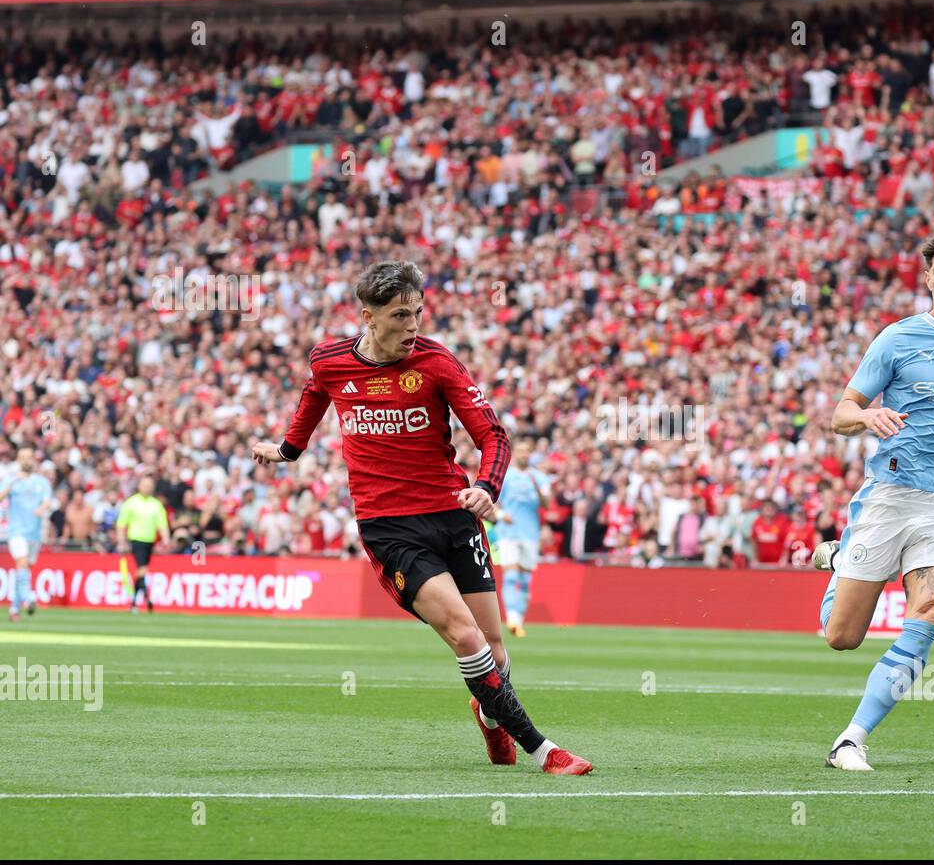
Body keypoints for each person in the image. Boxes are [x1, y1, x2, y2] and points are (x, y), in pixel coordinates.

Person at [250, 260, 590, 776]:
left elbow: (493, 435)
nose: (413, 326)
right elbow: (313, 401)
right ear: (368, 316)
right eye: (401, 316)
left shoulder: (437, 363)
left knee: (494, 645)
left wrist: (484, 487)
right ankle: (543, 750)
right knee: (464, 635)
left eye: (418, 313)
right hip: (390, 527)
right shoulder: (330, 361)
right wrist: (287, 450)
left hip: (453, 516)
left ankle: (490, 715)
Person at [811, 226, 934, 771]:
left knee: (929, 607)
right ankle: (839, 559)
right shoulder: (896, 339)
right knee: (842, 637)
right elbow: (840, 414)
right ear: (927, 279)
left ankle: (851, 738)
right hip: (888, 498)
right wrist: (867, 415)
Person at [492, 437, 551, 638]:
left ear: (531, 454)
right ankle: (513, 619)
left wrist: (538, 491)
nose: (524, 454)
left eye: (527, 451)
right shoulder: (506, 477)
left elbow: (546, 503)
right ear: (514, 453)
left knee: (525, 580)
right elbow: (492, 503)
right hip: (508, 533)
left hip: (530, 534)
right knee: (510, 576)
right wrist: (500, 515)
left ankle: (519, 621)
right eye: (521, 451)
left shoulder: (539, 477)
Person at [0, 447, 54, 621]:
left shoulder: (41, 481)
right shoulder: (10, 479)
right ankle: (28, 598)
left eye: (30, 457)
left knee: (23, 570)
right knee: (22, 564)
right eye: (23, 457)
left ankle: (14, 609)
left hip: (34, 534)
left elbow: (47, 501)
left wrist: (41, 509)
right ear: (18, 460)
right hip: (16, 531)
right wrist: (11, 484)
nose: (27, 461)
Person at [116, 475, 171, 614]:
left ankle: (135, 603)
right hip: (136, 540)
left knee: (141, 572)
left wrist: (166, 539)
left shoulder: (156, 504)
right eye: (145, 485)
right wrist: (121, 541)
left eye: (149, 485)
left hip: (149, 542)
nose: (147, 488)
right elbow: (122, 524)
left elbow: (162, 524)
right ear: (139, 486)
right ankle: (146, 598)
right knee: (142, 569)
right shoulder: (131, 503)